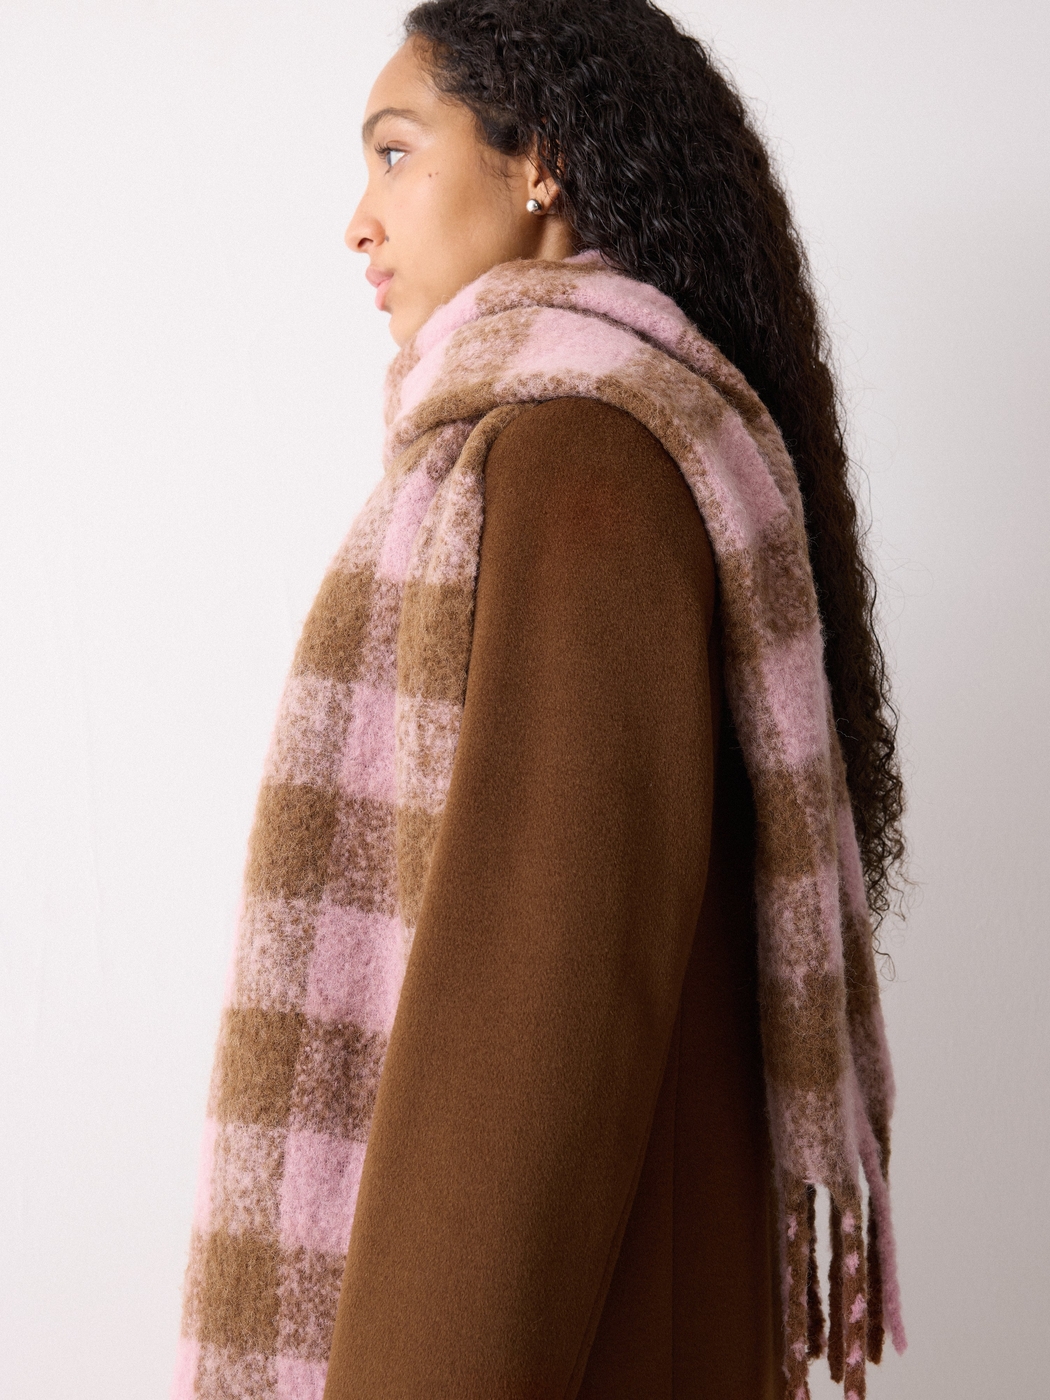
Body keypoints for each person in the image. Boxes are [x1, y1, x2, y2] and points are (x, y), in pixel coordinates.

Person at [172, 4, 905, 1398]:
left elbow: (529, 1044)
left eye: (396, 153)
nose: (358, 222)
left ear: (539, 163)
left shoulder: (580, 470)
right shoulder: (580, 449)